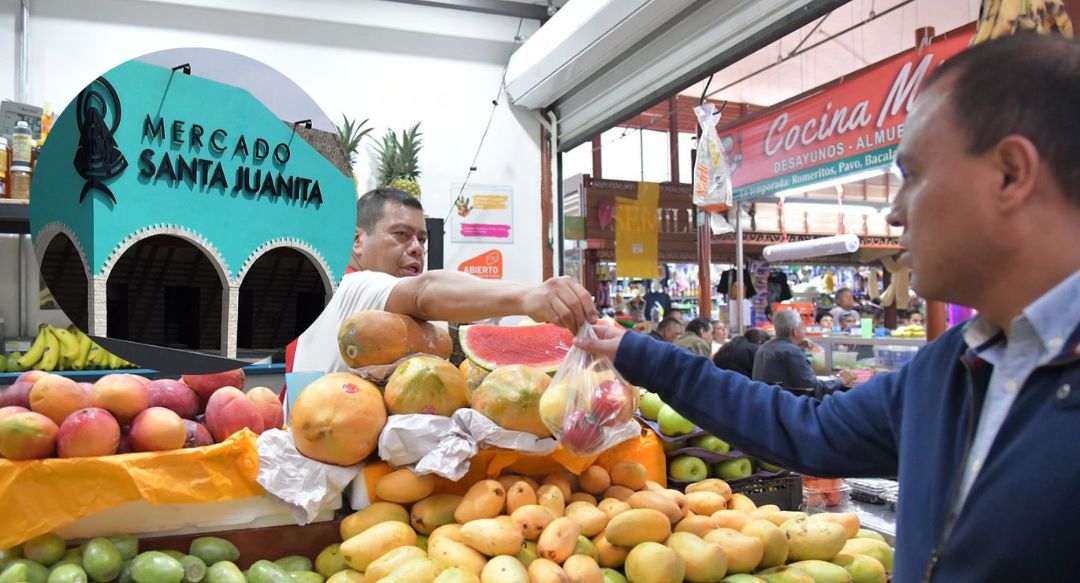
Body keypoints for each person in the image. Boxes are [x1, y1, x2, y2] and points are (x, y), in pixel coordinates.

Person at [575, 35, 1080, 581]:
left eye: (911, 176)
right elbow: (807, 428)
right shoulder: (951, 367)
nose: (893, 213)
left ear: (1010, 174)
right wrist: (638, 353)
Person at [290, 188, 597, 373]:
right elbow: (424, 292)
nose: (416, 247)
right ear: (357, 240)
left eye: (422, 238)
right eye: (401, 235)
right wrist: (528, 297)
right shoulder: (349, 288)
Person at [751, 310, 855, 397]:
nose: (805, 330)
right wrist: (841, 380)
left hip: (766, 406)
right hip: (788, 410)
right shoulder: (792, 352)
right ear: (795, 331)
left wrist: (798, 346)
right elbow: (813, 389)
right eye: (803, 327)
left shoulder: (764, 348)